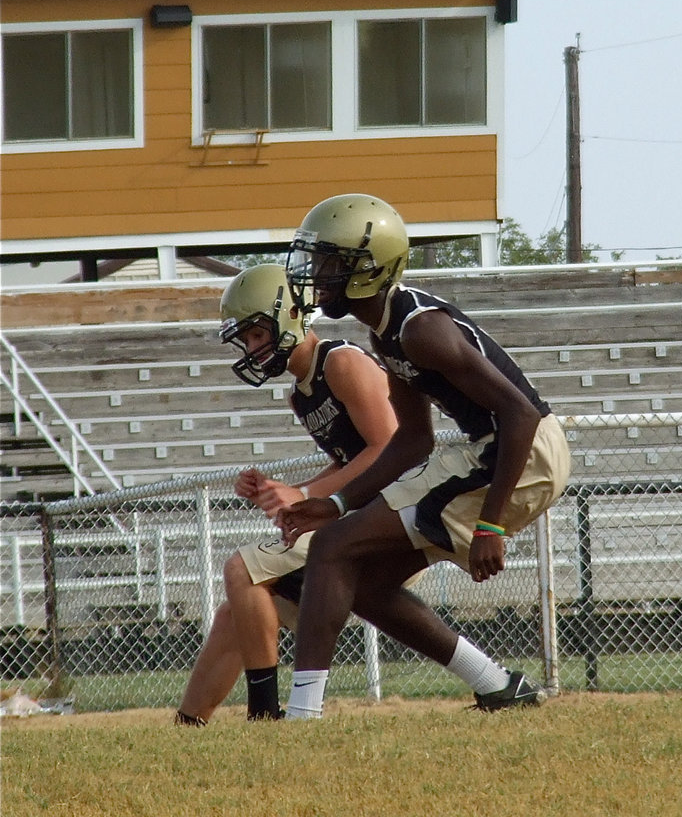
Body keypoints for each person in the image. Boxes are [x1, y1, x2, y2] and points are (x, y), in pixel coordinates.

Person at [175, 263, 535, 724]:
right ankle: (189, 725)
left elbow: (391, 445)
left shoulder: (340, 361)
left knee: (242, 569)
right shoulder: (300, 393)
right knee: (239, 613)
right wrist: (278, 489)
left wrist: (307, 493)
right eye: (246, 341)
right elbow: (351, 459)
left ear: (287, 317)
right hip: (364, 510)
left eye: (256, 335)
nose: (252, 349)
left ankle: (265, 716)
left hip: (402, 507)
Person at [275, 193, 571, 720]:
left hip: (521, 452)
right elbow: (414, 441)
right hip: (496, 448)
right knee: (361, 581)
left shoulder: (419, 329)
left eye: (329, 263)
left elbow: (521, 413)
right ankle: (499, 685)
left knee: (333, 550)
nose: (317, 275)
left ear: (369, 268)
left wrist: (491, 526)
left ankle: (301, 715)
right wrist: (338, 503)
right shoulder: (386, 333)